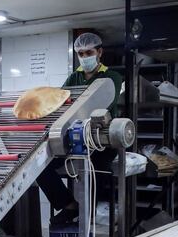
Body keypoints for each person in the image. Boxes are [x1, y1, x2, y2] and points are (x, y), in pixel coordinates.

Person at [37, 32, 123, 225]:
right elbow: (59, 101)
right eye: (81, 54)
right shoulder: (74, 78)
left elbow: (105, 105)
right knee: (41, 168)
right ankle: (68, 205)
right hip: (75, 138)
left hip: (100, 141)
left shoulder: (111, 77)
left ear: (99, 52)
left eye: (89, 52)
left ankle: (88, 214)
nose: (85, 57)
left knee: (97, 168)